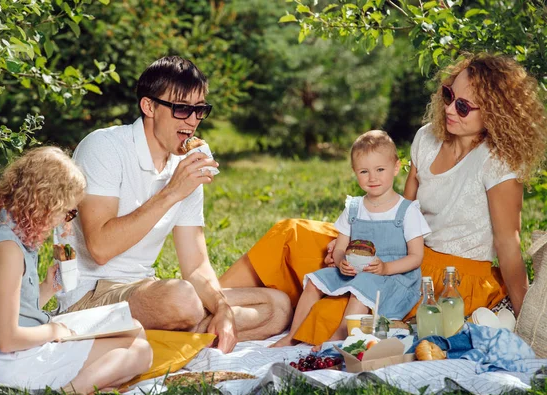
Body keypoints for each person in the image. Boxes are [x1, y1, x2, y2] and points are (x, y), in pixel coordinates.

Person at [220, 53, 547, 345]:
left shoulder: (497, 162)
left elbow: (508, 245)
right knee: (291, 234)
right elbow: (398, 213)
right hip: (396, 248)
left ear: (494, 112)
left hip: (451, 278)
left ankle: (264, 314)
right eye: (448, 95)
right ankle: (208, 300)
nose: (449, 108)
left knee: (333, 318)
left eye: (463, 105)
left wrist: (527, 326)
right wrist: (348, 245)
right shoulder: (427, 138)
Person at [56, 56, 292, 353]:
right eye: (182, 109)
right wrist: (172, 192)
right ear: (149, 106)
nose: (192, 120)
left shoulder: (186, 164)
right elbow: (100, 249)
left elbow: (195, 265)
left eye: (199, 110)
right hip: (89, 296)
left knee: (278, 306)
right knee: (181, 298)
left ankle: (174, 334)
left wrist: (222, 309)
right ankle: (176, 331)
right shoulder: (104, 147)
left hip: (144, 291)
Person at [0, 147, 153, 395]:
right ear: (45, 202)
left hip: (12, 352)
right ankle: (70, 391)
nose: (66, 221)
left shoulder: (12, 235)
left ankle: (89, 382)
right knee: (140, 352)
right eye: (68, 212)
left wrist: (46, 289)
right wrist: (53, 332)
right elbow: (6, 339)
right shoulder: (8, 250)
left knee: (135, 328)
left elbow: (19, 311)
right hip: (7, 360)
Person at [272, 131, 430, 347]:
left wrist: (385, 268)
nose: (372, 178)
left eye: (380, 170)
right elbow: (340, 247)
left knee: (361, 288)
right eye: (364, 171)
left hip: (395, 277)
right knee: (315, 281)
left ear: (395, 168)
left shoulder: (407, 210)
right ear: (355, 172)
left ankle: (340, 337)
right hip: (357, 272)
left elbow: (416, 257)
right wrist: (340, 262)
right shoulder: (354, 208)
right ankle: (292, 336)